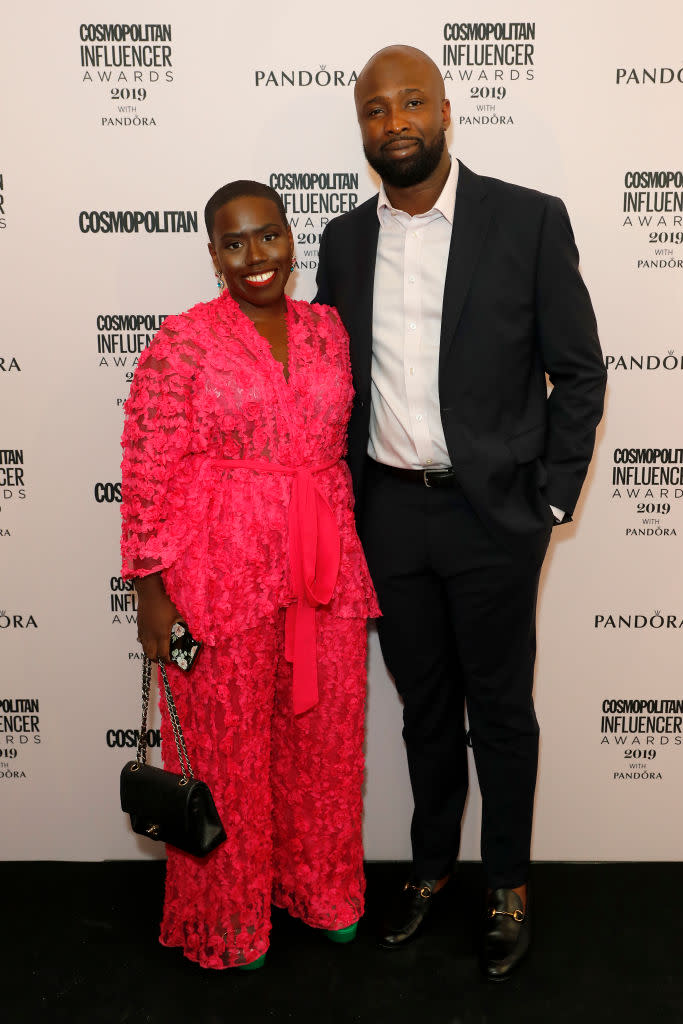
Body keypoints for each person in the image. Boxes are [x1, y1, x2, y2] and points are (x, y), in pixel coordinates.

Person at [314, 45, 607, 980]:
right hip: (388, 517)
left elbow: (579, 370)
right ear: (360, 129)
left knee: (501, 709)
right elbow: (330, 385)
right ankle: (433, 868)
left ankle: (508, 881)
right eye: (373, 110)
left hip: (493, 517)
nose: (393, 121)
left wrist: (551, 495)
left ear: (445, 109)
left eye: (409, 102)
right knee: (425, 709)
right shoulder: (343, 241)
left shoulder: (525, 221)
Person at [120, 180, 379, 970]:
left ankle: (319, 889)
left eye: (267, 236)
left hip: (322, 572)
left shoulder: (330, 330)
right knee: (226, 756)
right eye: (234, 244)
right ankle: (225, 921)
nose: (254, 257)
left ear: (289, 240)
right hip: (216, 582)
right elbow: (145, 471)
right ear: (213, 257)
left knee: (325, 745)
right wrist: (150, 592)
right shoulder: (183, 342)